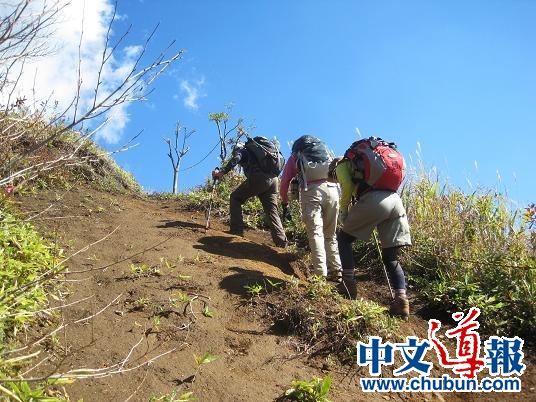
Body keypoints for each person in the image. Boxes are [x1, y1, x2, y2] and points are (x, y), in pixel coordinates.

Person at [333, 137, 411, 318]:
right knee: (391, 258)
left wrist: (344, 211)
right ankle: (401, 299)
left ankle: (348, 283)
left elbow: (347, 187)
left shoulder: (342, 165)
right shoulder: (383, 159)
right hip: (395, 201)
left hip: (374, 200)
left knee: (344, 239)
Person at [279, 135, 342, 281]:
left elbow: (284, 182)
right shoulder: (326, 153)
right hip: (333, 191)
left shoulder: (296, 156)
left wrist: (285, 201)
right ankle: (337, 271)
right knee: (330, 234)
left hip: (311, 191)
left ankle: (320, 274)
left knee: (316, 233)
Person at [212, 137, 288, 248]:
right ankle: (282, 243)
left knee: (235, 197)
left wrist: (222, 172)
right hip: (274, 180)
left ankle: (237, 231)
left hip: (260, 178)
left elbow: (236, 159)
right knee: (272, 211)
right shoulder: (260, 152)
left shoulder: (242, 150)